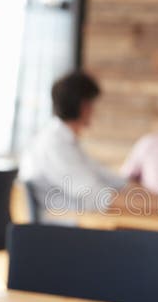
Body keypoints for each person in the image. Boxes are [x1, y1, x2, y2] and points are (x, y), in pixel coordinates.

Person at [19, 71, 127, 221]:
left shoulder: (64, 140)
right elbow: (97, 197)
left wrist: (134, 189)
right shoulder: (54, 144)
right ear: (84, 106)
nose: (94, 111)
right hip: (62, 232)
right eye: (92, 104)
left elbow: (107, 178)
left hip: (73, 226)